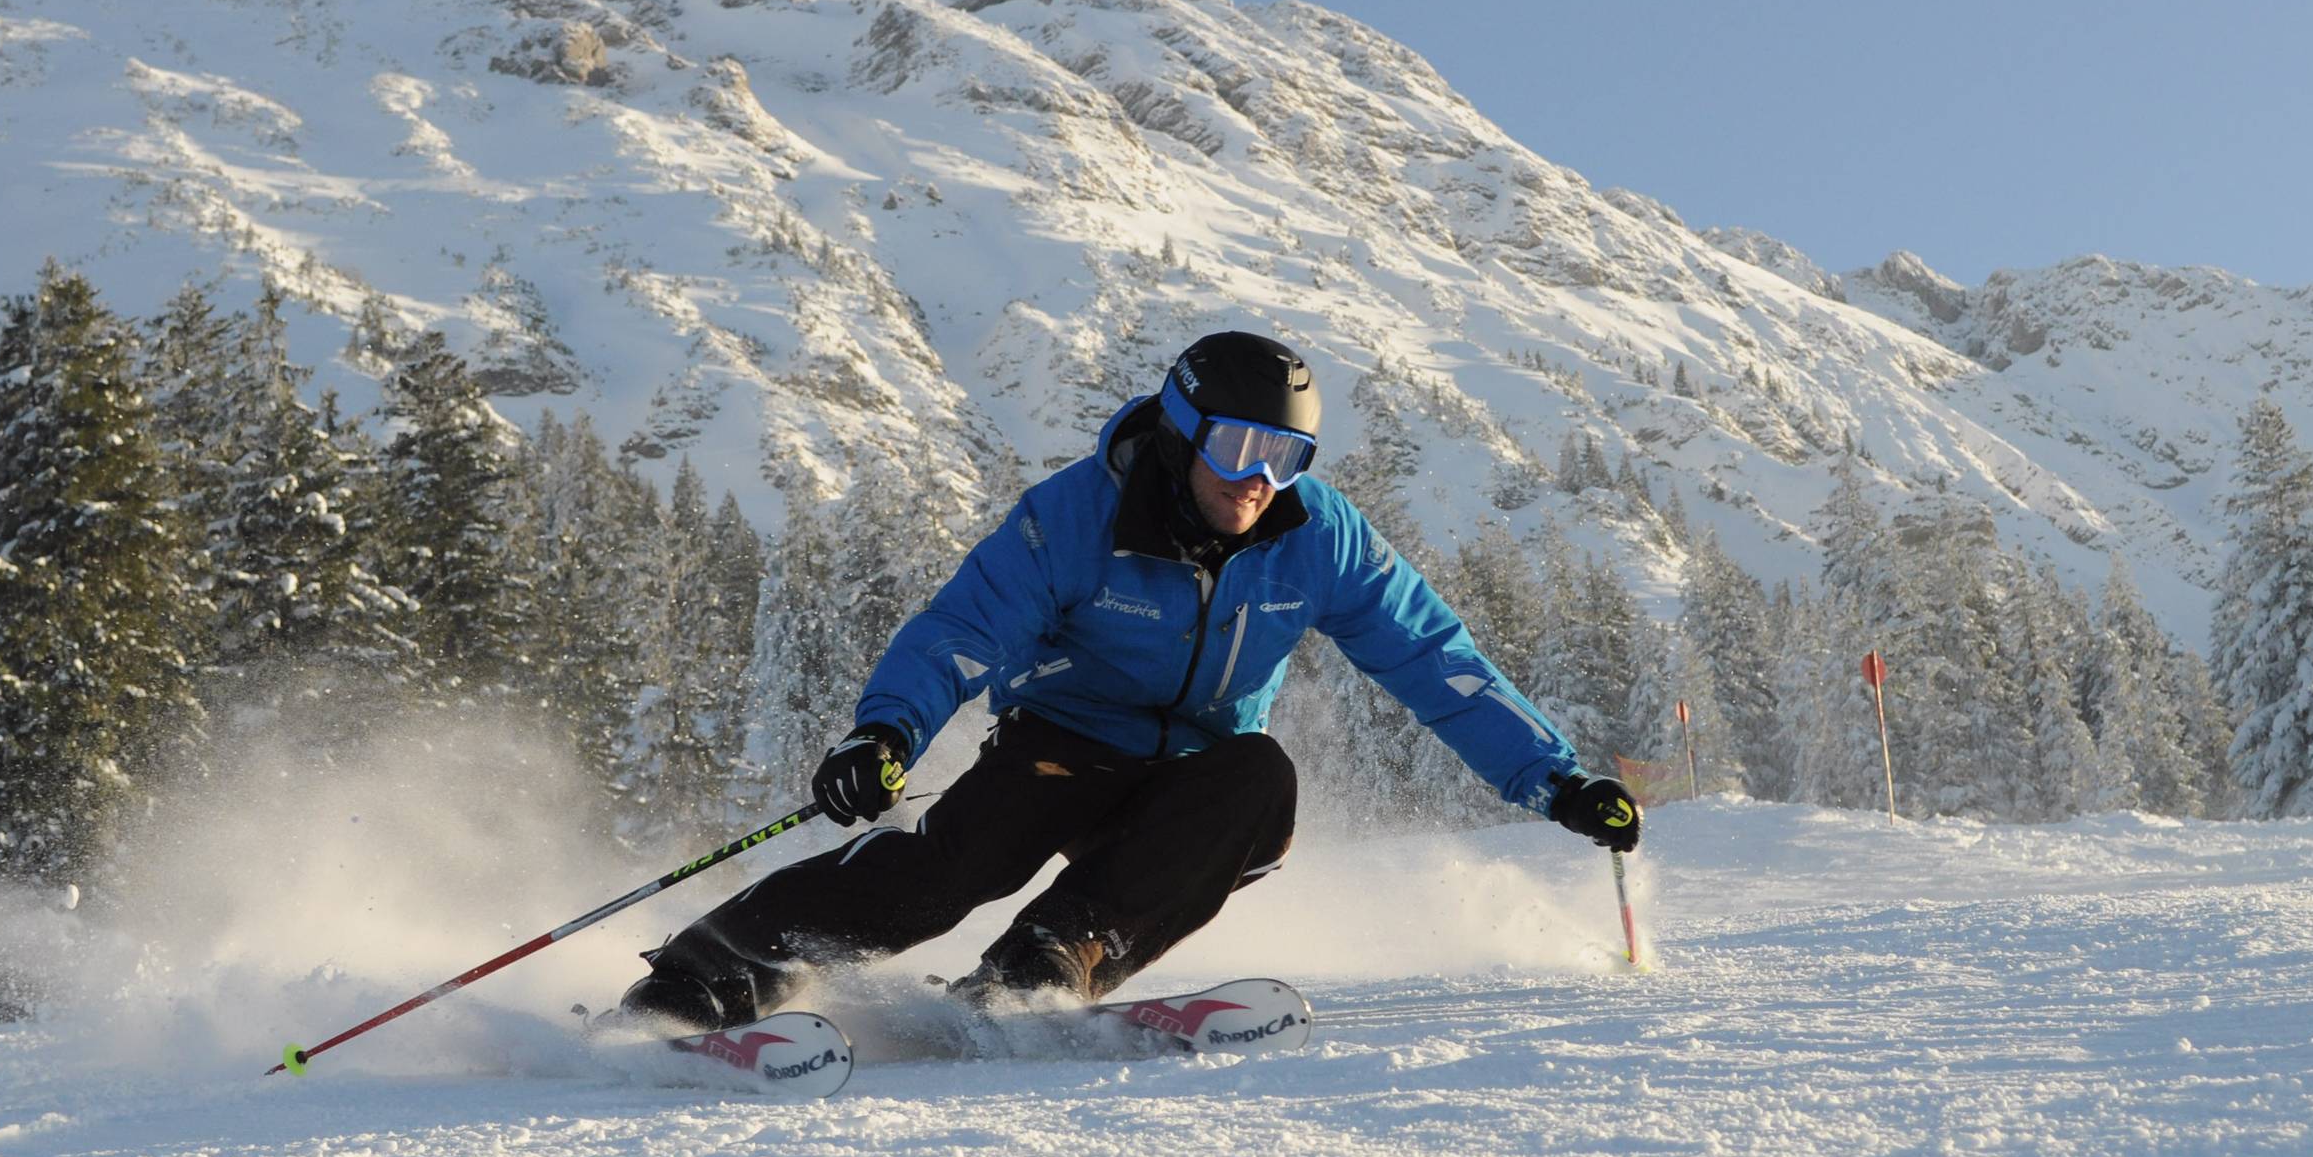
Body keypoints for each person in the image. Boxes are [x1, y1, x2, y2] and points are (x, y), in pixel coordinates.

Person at [615, 330, 1642, 1029]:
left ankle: (1042, 968)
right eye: (1238, 446)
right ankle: (709, 974)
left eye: (1286, 457)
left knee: (1260, 777)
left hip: (1191, 781)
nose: (1256, 480)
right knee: (943, 871)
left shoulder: (1318, 537)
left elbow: (1433, 658)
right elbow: (961, 631)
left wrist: (1555, 778)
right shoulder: (1076, 516)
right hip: (1058, 747)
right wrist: (884, 736)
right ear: (1182, 431)